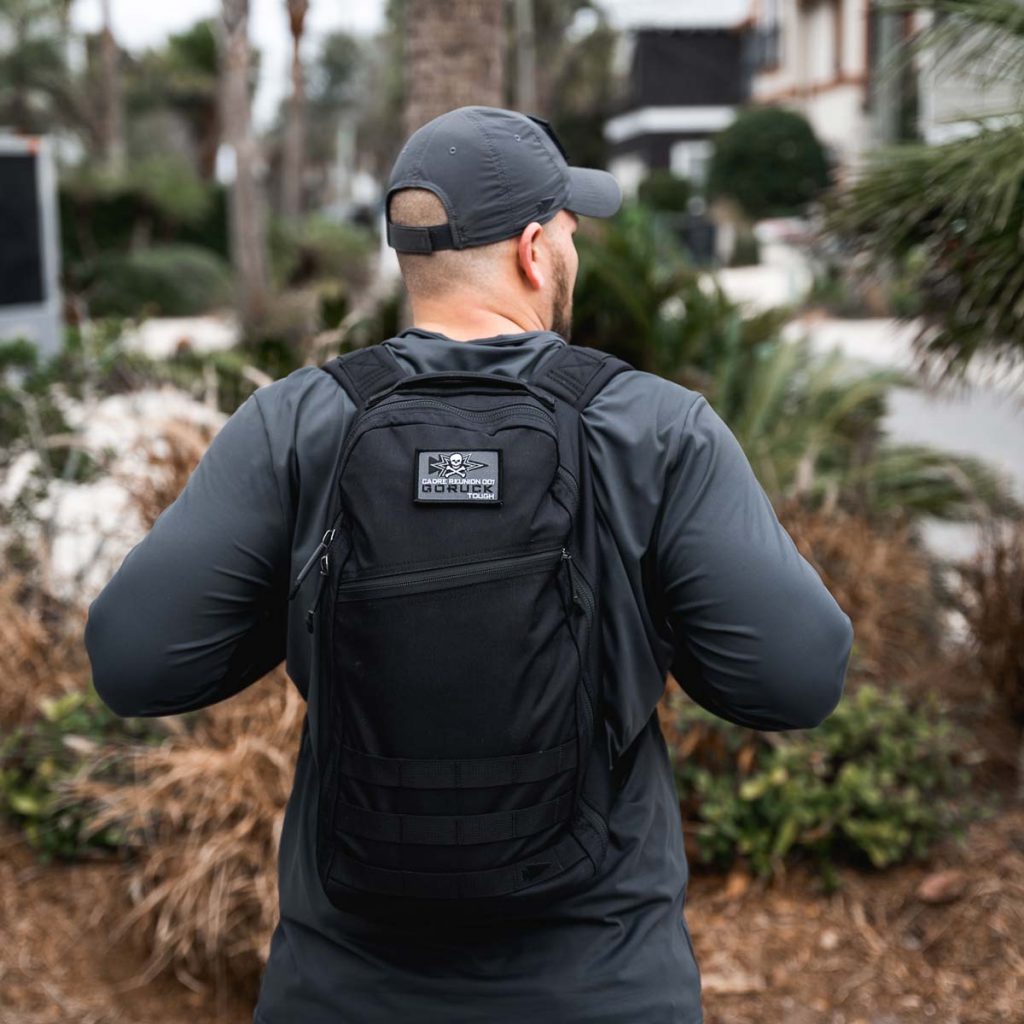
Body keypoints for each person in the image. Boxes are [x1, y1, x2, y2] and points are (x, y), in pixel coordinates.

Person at [84, 106, 854, 1024]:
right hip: (601, 992)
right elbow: (797, 679)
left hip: (343, 995)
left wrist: (304, 611)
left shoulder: (295, 423)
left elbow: (133, 662)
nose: (572, 248)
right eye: (569, 229)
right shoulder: (654, 428)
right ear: (534, 251)